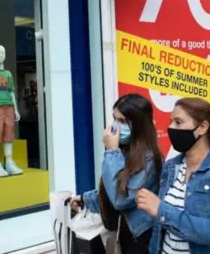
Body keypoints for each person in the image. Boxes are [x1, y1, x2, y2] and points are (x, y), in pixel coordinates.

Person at [136, 97, 210, 254]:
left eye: (178, 122)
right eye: (171, 121)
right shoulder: (172, 167)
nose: (171, 128)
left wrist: (162, 211)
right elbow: (160, 230)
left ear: (202, 127)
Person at [70, 94, 163, 253]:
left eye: (122, 121)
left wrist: (112, 151)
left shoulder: (150, 159)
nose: (115, 126)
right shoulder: (124, 150)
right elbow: (110, 189)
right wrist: (85, 199)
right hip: (122, 232)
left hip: (140, 236)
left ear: (139, 124)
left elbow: (121, 199)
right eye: (114, 119)